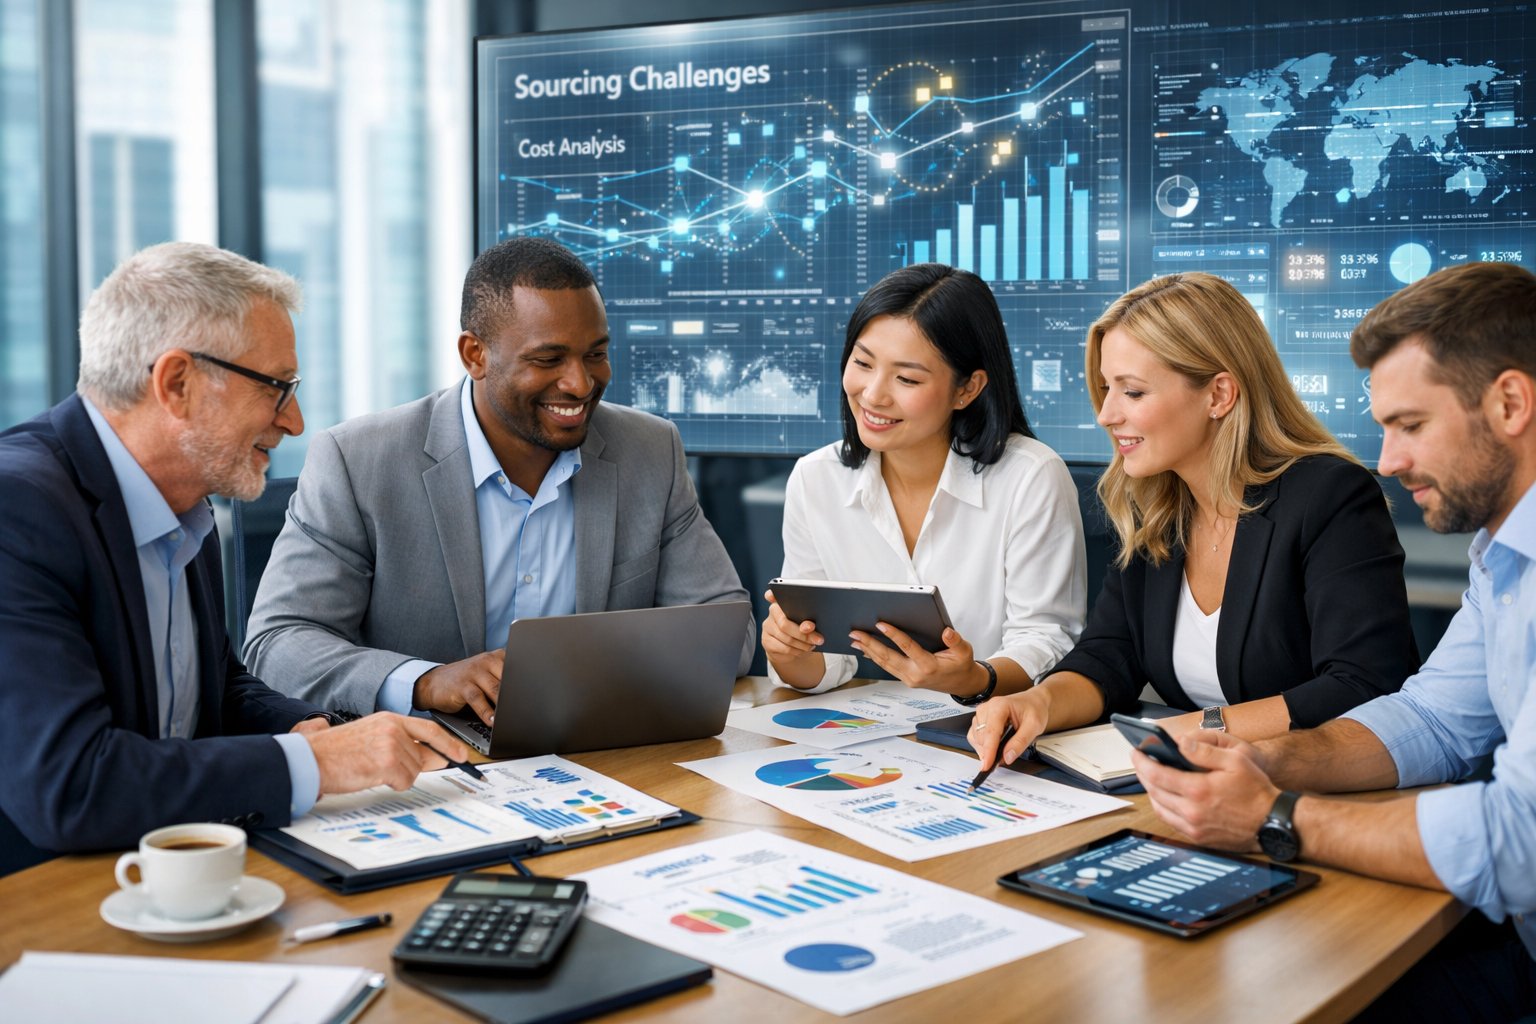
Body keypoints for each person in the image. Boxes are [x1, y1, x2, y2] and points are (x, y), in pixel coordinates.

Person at [1132, 261, 1536, 1020]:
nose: (1388, 462)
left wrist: (1276, 817)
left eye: (1411, 426)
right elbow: (1432, 720)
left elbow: (1522, 844)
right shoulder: (1504, 555)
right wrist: (1256, 759)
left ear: (1510, 402)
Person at [0, 242, 472, 875]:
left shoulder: (182, 501)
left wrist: (316, 729)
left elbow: (214, 692)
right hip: (48, 909)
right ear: (177, 383)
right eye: (277, 389)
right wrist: (322, 765)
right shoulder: (18, 510)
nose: (296, 422)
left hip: (175, 876)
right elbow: (73, 786)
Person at [244, 237, 753, 723]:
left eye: (595, 353)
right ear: (475, 355)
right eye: (548, 359)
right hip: (430, 768)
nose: (579, 383)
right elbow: (279, 643)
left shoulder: (650, 451)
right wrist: (424, 682)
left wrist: (592, 675)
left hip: (604, 760)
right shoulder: (358, 461)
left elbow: (729, 630)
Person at [971, 272, 1418, 771]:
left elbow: (1363, 685)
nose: (1106, 414)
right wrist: (1040, 702)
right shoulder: (1157, 504)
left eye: (1133, 392)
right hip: (1192, 785)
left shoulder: (1330, 495)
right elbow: (1108, 657)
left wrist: (1195, 728)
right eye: (1105, 388)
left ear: (1219, 395)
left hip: (1308, 788)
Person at [762, 263, 1086, 702]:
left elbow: (1048, 641)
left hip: (998, 728)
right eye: (862, 362)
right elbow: (827, 659)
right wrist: (789, 651)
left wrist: (974, 678)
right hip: (871, 736)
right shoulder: (815, 478)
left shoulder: (1030, 476)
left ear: (967, 389)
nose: (873, 394)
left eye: (907, 378)